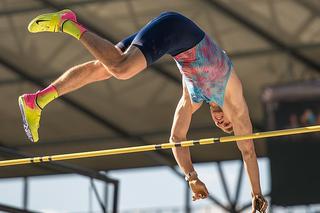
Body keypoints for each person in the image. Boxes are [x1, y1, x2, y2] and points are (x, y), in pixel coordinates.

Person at [19, 10, 268, 212]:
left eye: (222, 126)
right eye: (228, 124)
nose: (223, 122)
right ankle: (68, 23)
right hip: (178, 31)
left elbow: (177, 138)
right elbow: (247, 149)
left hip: (172, 33)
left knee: (104, 66)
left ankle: (37, 100)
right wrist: (256, 194)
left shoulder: (192, 99)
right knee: (122, 69)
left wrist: (191, 177)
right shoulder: (234, 99)